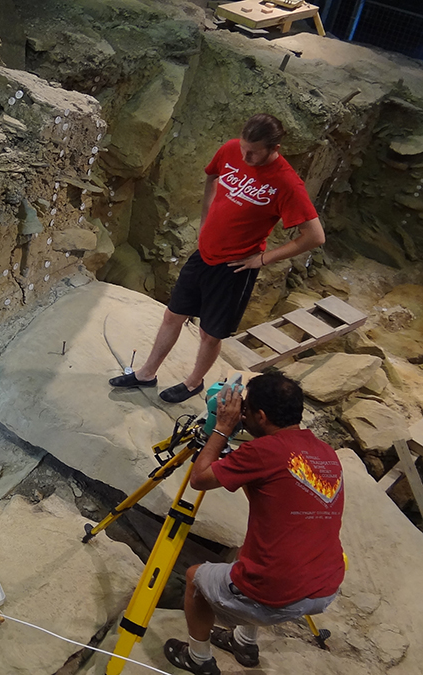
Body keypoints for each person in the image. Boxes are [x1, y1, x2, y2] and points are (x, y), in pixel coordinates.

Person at [109, 114, 326, 403]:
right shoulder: (231, 149)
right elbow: (213, 174)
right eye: (244, 147)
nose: (245, 155)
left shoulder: (287, 183)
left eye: (253, 152)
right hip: (204, 253)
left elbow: (314, 236)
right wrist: (206, 215)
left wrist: (263, 259)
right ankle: (146, 373)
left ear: (274, 147)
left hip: (235, 268)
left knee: (210, 333)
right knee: (173, 315)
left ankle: (193, 383)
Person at [163, 372, 345, 675]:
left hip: (277, 594)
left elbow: (199, 479)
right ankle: (244, 643)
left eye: (246, 411)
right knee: (250, 552)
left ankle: (198, 659)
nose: (242, 415)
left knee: (195, 578)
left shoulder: (262, 452)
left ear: (260, 415)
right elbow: (269, 490)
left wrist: (221, 428)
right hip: (326, 585)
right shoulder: (325, 453)